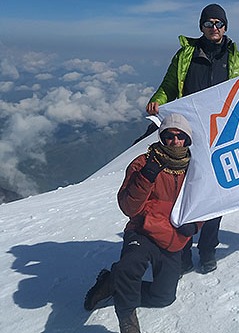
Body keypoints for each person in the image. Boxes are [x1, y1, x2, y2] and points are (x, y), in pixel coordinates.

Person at [145, 3, 239, 274]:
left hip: (219, 136)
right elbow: (169, 86)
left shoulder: (236, 59)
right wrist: (158, 100)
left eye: (219, 24)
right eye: (209, 24)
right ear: (201, 26)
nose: (214, 29)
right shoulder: (186, 55)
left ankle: (207, 249)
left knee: (214, 193)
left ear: (226, 27)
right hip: (188, 134)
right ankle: (182, 250)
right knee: (183, 193)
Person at [83, 113, 201, 333]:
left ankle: (110, 282)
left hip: (174, 238)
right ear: (161, 137)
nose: (175, 141)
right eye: (169, 136)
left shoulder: (195, 167)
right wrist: (146, 177)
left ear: (188, 139)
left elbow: (205, 201)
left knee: (163, 298)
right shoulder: (142, 164)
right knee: (129, 267)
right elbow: (129, 208)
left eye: (180, 136)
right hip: (142, 232)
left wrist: (196, 226)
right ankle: (128, 321)